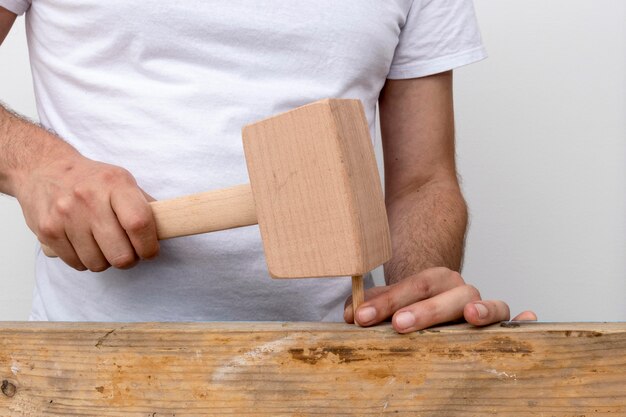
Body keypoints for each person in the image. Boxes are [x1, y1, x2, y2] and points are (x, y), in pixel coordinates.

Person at [0, 1, 535, 331]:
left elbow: (422, 181)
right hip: (91, 362)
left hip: (330, 363)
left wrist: (416, 301)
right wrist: (36, 165)